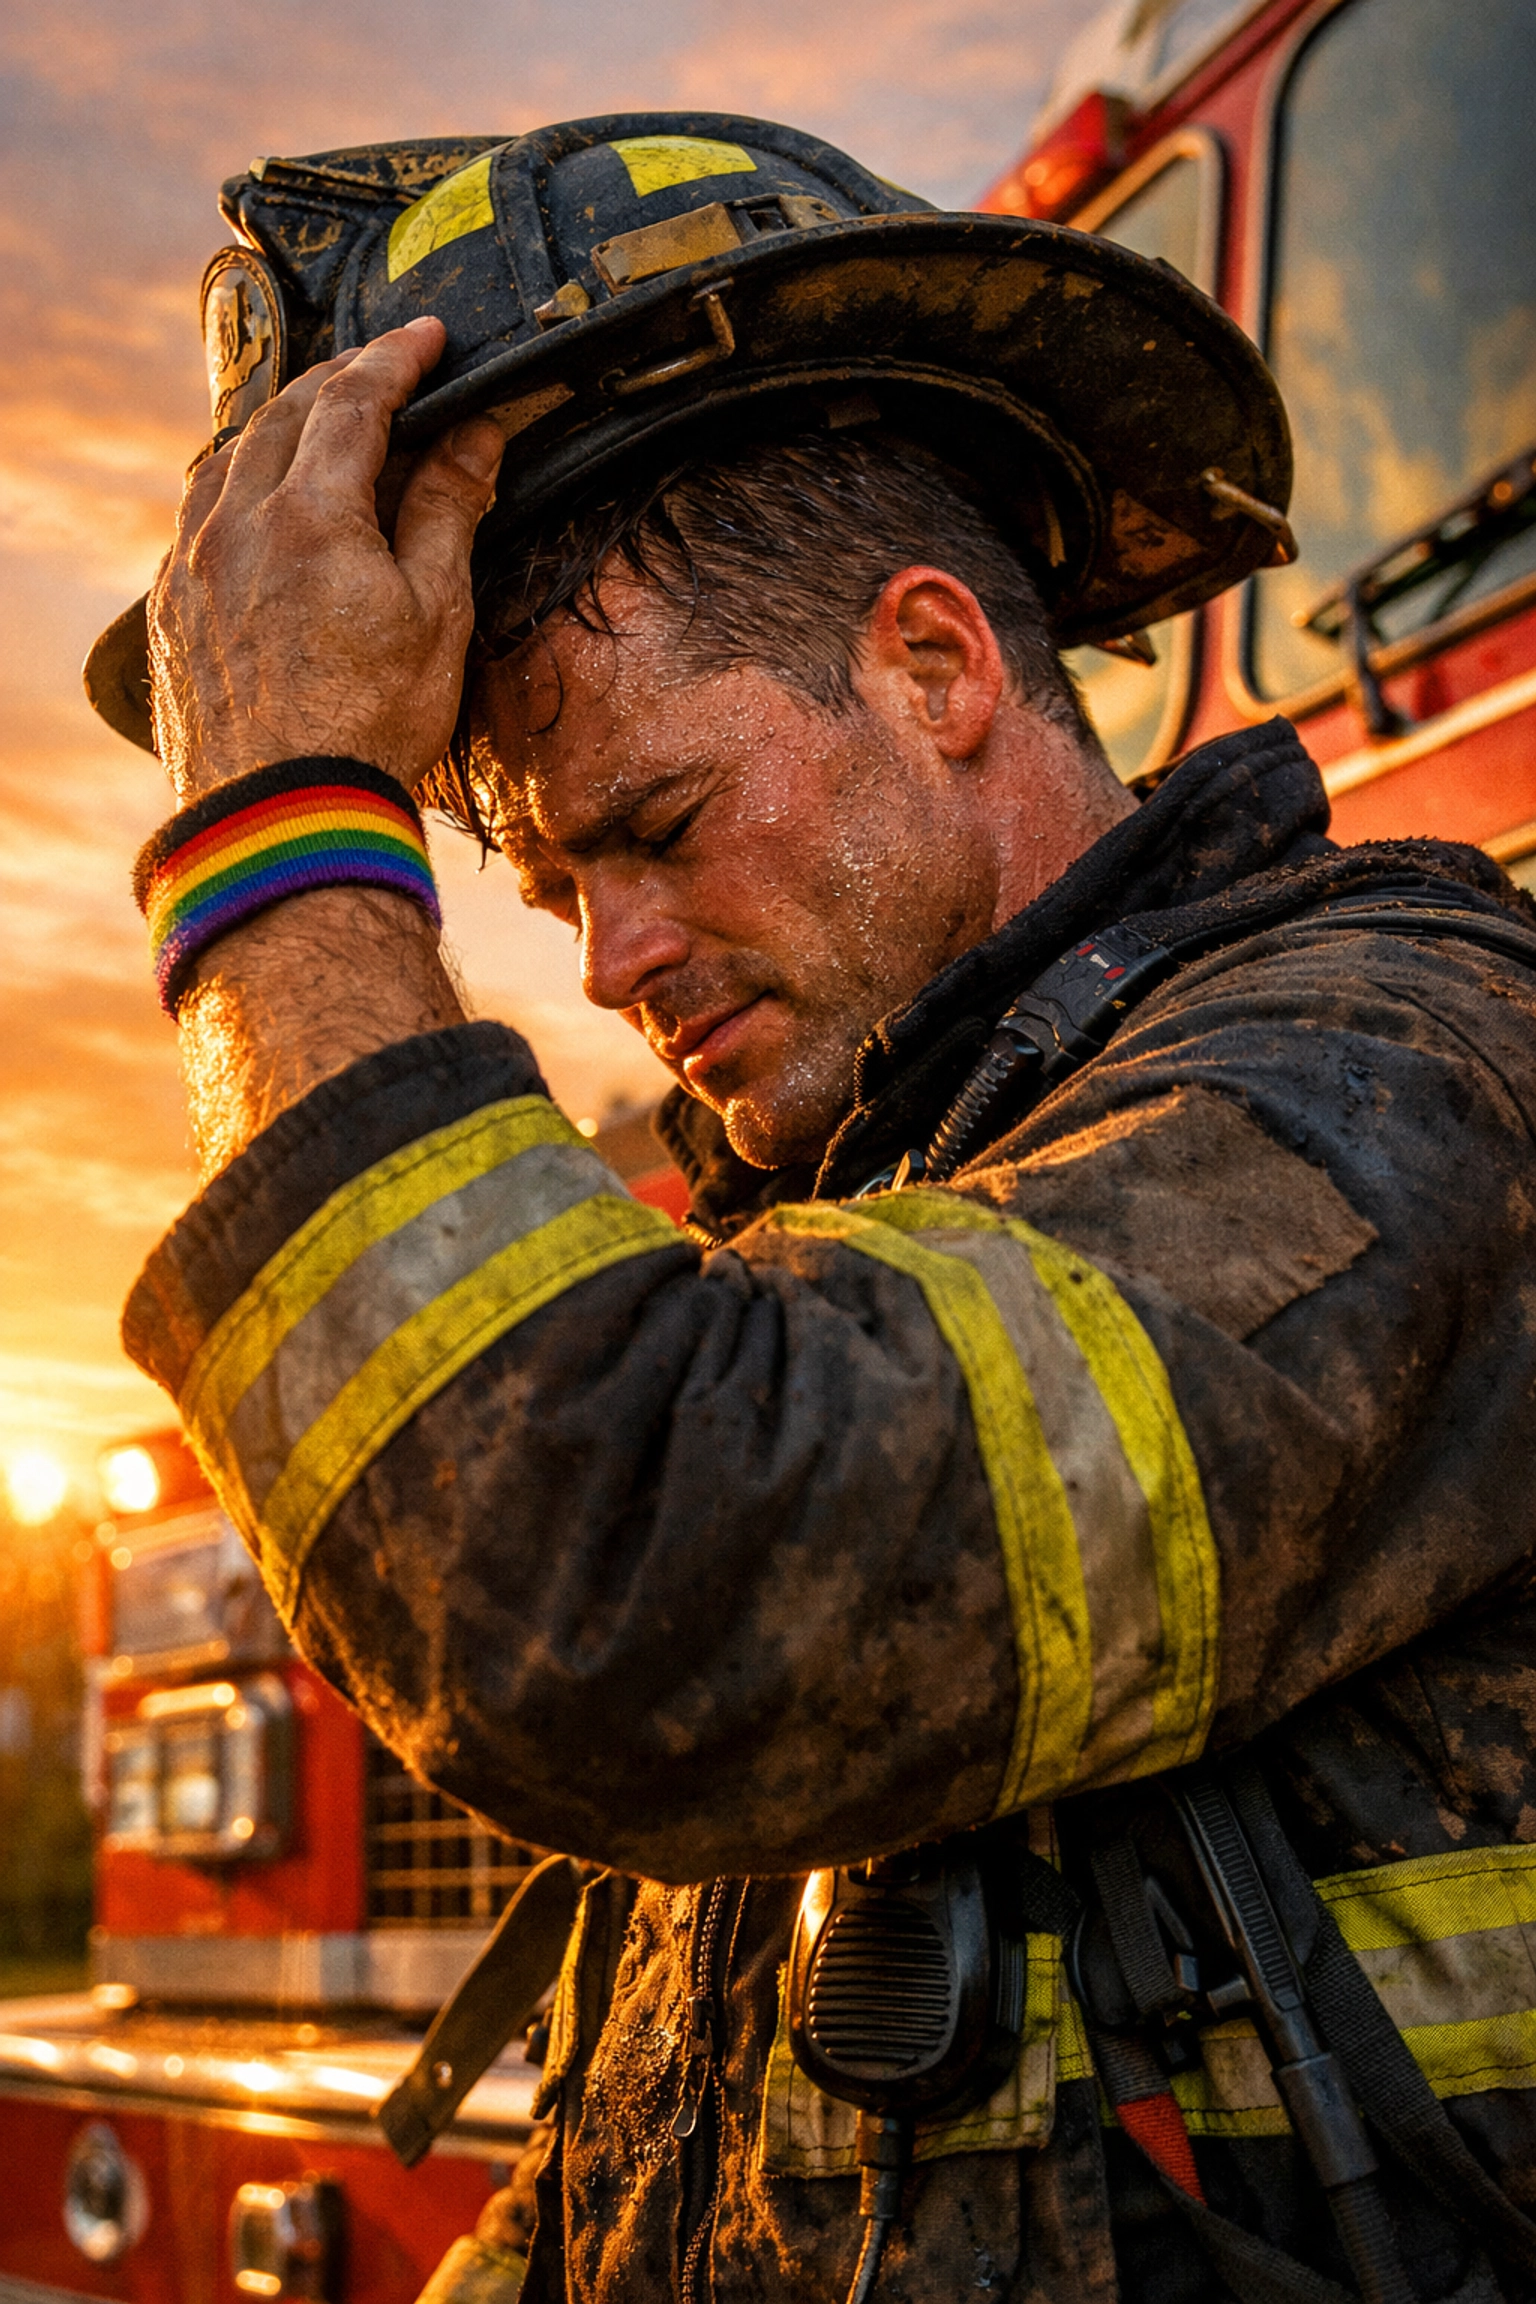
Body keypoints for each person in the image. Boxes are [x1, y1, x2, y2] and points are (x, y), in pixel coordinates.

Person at [106, 117, 1536, 2303]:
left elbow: (620, 1583)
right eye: (561, 883)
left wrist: (276, 842)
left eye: (658, 824)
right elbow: (681, 2152)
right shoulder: (854, 1245)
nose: (603, 960)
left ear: (941, 667)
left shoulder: (1405, 1078)